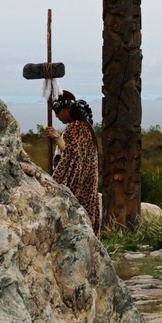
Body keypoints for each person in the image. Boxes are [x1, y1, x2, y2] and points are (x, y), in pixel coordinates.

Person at [47, 91, 102, 232]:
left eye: (58, 112)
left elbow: (71, 152)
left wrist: (57, 137)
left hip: (78, 182)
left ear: (68, 108)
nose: (57, 116)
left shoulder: (77, 127)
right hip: (87, 180)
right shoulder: (84, 127)